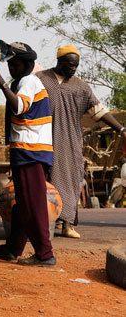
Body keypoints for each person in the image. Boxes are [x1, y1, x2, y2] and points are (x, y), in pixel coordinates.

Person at [37, 44, 126, 239]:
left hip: (69, 141)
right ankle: (43, 225)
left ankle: (67, 224)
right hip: (42, 139)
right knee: (42, 180)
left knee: (69, 180)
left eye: (76, 66)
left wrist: (120, 129)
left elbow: (99, 111)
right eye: (69, 65)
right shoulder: (41, 80)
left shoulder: (81, 87)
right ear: (59, 61)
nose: (73, 69)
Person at [0, 42, 56, 266]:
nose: (11, 68)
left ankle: (44, 254)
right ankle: (13, 248)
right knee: (23, 203)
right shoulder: (23, 81)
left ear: (27, 64)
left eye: (15, 64)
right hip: (27, 151)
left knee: (32, 204)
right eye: (10, 64)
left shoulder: (28, 82)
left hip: (31, 151)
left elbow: (19, 106)